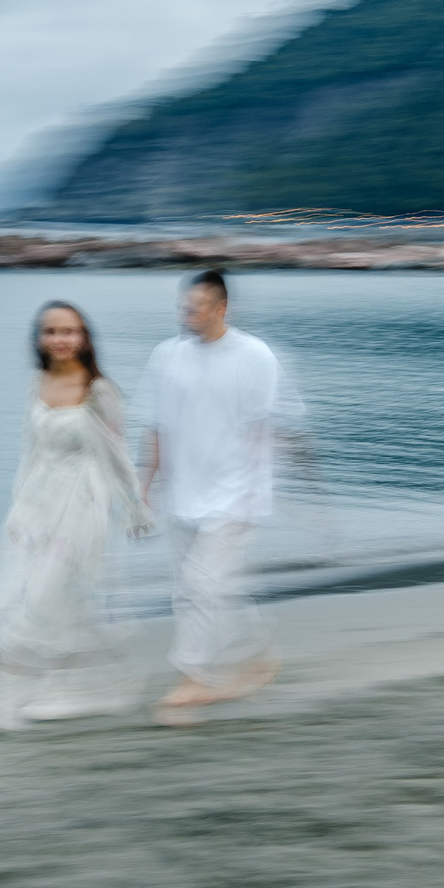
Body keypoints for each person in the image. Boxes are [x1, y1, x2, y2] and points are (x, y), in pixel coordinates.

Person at [0, 301, 151, 731]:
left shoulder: (99, 390)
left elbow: (117, 454)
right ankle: (88, 685)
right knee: (61, 600)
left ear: (84, 338)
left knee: (42, 597)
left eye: (69, 331)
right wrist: (19, 507)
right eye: (51, 331)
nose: (60, 339)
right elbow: (30, 451)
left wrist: (135, 507)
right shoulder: (38, 381)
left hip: (83, 503)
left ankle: (4, 700)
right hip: (40, 504)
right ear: (39, 338)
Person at [138, 269, 304, 726]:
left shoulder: (254, 356)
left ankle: (195, 677)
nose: (185, 314)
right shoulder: (165, 356)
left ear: (220, 308)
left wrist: (258, 494)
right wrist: (144, 487)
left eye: (194, 307)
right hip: (183, 492)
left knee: (202, 584)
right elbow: (155, 426)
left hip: (236, 496)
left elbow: (264, 429)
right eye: (182, 306)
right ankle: (258, 652)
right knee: (201, 588)